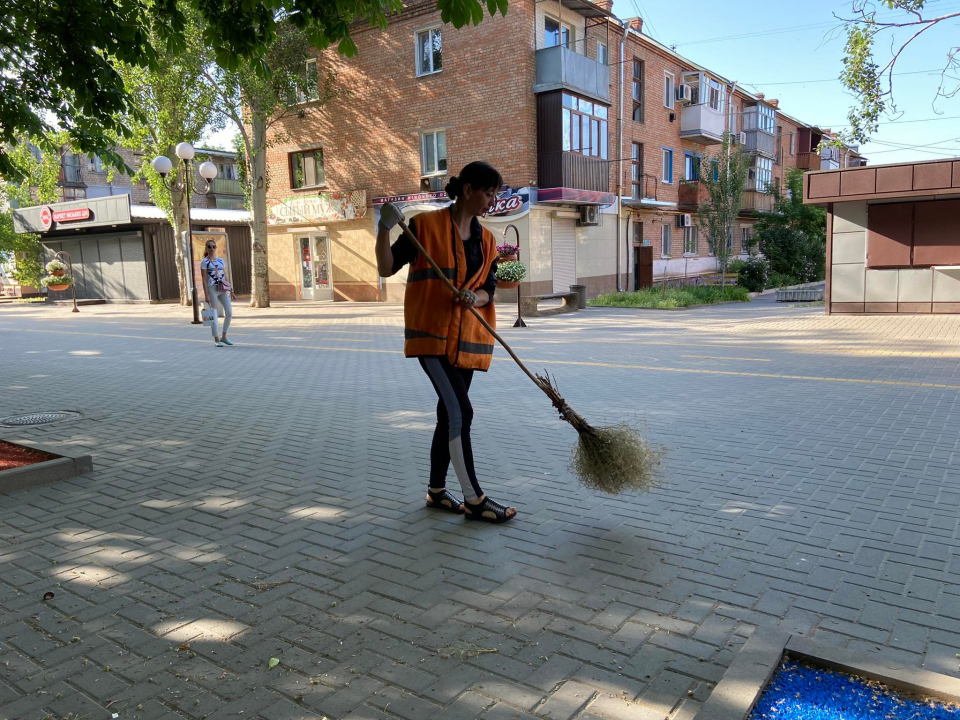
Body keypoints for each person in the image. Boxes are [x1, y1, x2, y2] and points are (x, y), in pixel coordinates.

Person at [376, 161, 517, 523]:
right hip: (432, 338)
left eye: (496, 195)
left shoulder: (486, 241)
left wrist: (477, 299)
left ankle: (437, 491)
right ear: (468, 190)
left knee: (446, 415)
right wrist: (383, 228)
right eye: (489, 193)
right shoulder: (424, 227)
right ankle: (475, 499)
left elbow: (489, 289)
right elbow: (386, 267)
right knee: (461, 413)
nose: (492, 201)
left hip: (466, 340)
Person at [200, 241, 235, 347]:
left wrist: (230, 290)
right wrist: (206, 294)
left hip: (222, 288)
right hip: (212, 289)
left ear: (216, 248)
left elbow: (225, 275)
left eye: (214, 246)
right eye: (209, 246)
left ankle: (224, 336)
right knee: (213, 314)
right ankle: (216, 338)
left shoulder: (220, 260)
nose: (212, 248)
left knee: (229, 312)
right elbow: (204, 279)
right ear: (206, 248)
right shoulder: (204, 262)